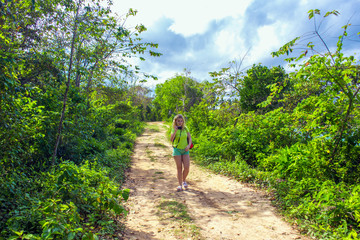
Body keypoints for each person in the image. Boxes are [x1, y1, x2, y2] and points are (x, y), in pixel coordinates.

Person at [170, 114, 192, 192]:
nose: (180, 122)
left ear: (183, 121)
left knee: (187, 167)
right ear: (175, 122)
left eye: (181, 121)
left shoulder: (185, 128)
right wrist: (175, 131)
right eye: (178, 121)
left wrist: (188, 146)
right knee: (179, 168)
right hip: (177, 150)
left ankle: (184, 180)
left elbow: (190, 138)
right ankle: (180, 185)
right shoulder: (173, 129)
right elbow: (171, 140)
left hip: (185, 150)